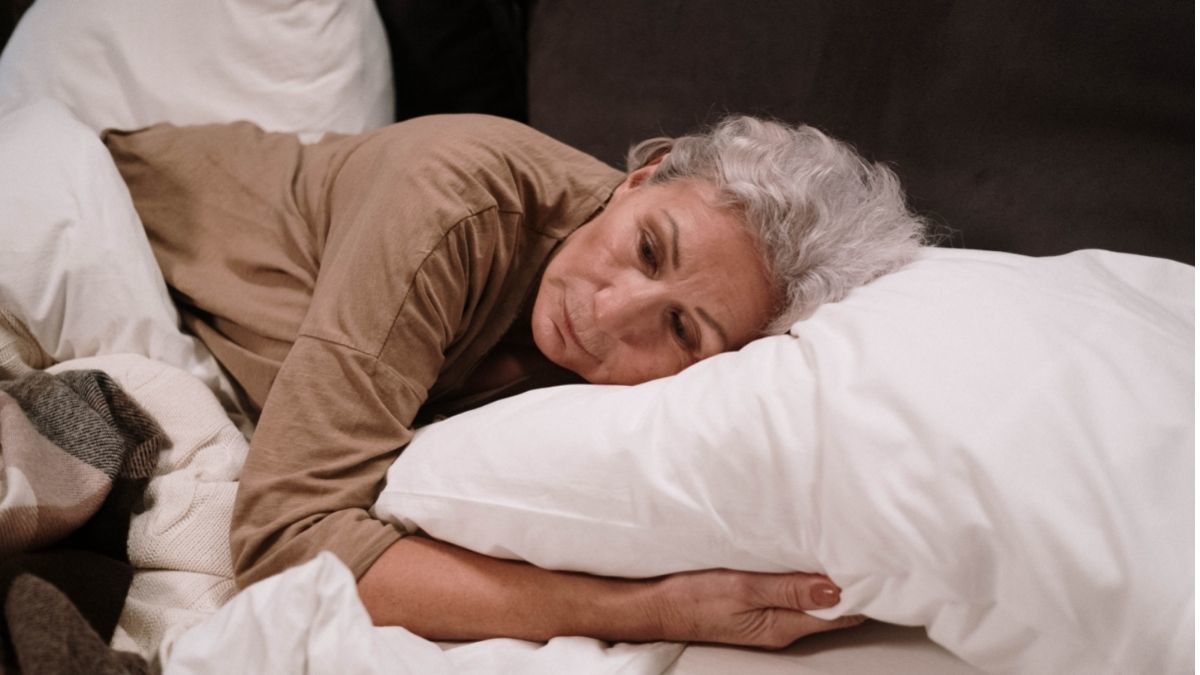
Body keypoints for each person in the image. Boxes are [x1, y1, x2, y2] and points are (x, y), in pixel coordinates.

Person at [104, 113, 926, 647]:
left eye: (681, 328)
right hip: (102, 208)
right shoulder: (452, 202)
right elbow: (283, 545)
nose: (611, 312)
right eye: (647, 248)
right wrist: (648, 609)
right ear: (643, 177)